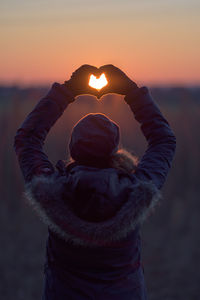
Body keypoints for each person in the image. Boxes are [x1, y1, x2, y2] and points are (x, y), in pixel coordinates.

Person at [14, 64, 176, 299]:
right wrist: (131, 91)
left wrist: (67, 91)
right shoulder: (136, 190)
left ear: (73, 149)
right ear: (114, 151)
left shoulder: (53, 190)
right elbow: (163, 140)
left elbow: (27, 140)